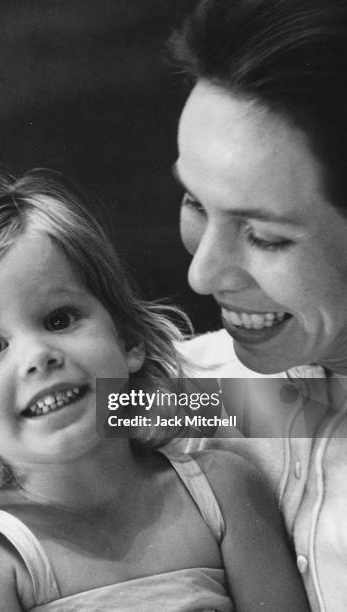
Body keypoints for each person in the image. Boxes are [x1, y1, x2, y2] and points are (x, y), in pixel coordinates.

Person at [0, 169, 308, 611]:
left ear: (128, 340)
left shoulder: (224, 486)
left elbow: (310, 409)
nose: (38, 354)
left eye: (59, 319)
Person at [168, 1, 347, 611]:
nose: (201, 273)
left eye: (264, 236)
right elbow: (118, 403)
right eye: (194, 202)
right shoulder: (196, 392)